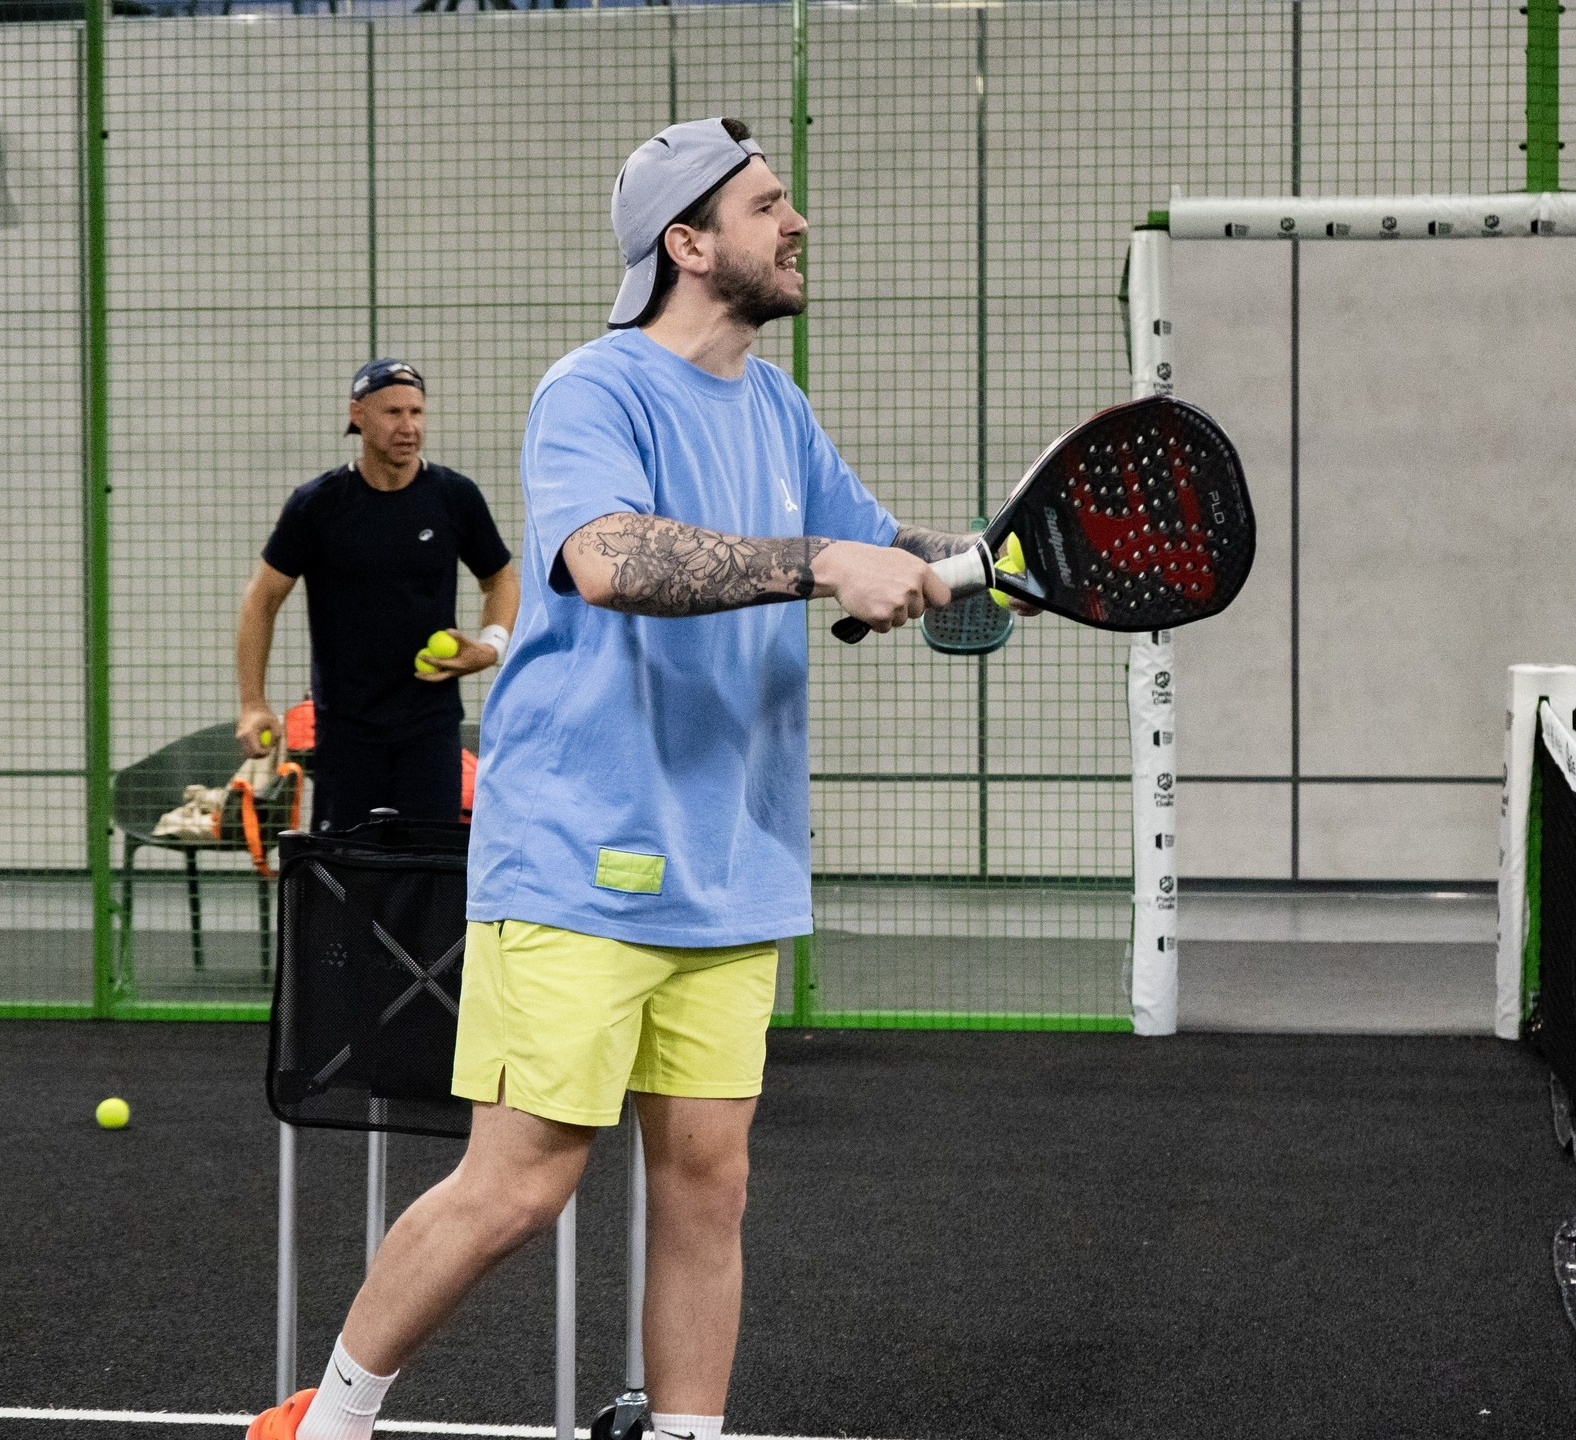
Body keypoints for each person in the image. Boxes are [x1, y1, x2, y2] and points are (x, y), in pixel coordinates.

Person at [249, 118, 982, 1440]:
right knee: (520, 1186)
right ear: (688, 245)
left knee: (710, 1180)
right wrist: (823, 564)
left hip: (729, 859)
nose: (797, 221)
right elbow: (609, 561)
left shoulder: (777, 406)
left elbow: (874, 546)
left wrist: (977, 563)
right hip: (581, 854)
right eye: (769, 206)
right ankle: (328, 1422)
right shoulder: (593, 390)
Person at [234, 359, 520, 832]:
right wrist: (252, 703)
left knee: (426, 876)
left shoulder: (454, 497)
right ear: (358, 415)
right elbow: (260, 601)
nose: (408, 427)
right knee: (349, 878)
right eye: (393, 413)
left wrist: (490, 647)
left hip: (430, 726)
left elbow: (501, 579)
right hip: (346, 731)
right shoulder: (317, 505)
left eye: (417, 412)